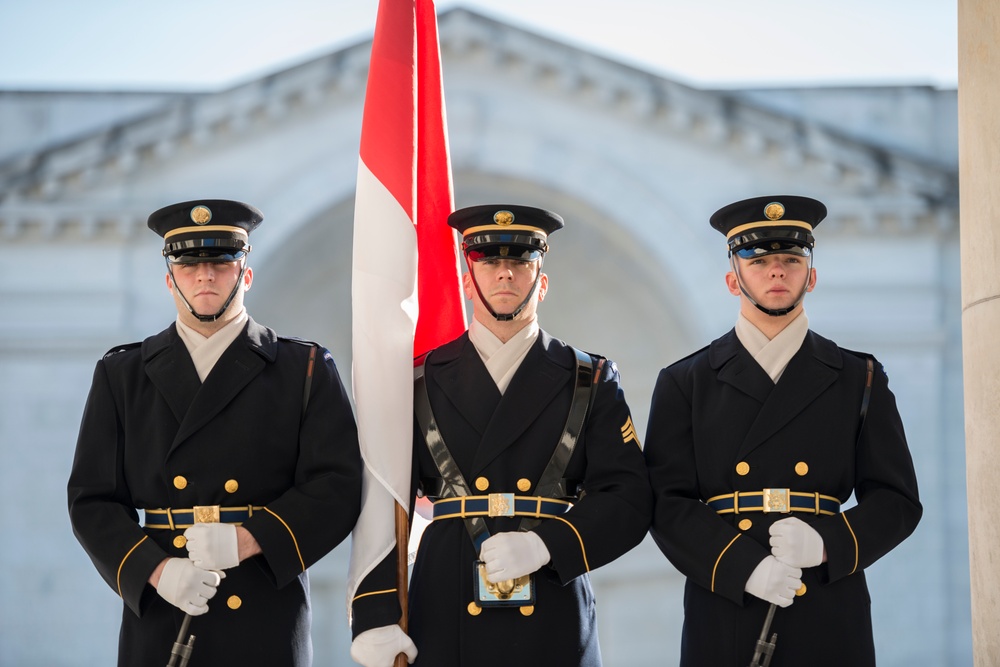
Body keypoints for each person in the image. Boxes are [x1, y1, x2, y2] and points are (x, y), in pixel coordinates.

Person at [348, 204, 652, 667]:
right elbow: (383, 499)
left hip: (552, 595)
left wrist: (548, 546)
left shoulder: (589, 378)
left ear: (542, 283)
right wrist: (374, 614)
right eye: (490, 262)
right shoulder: (417, 380)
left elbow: (629, 496)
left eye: (521, 262)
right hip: (446, 597)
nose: (505, 274)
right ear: (468, 281)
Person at [67, 199, 363, 666]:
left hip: (265, 609)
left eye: (220, 264)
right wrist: (157, 571)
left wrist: (248, 539)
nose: (204, 276)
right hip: (165, 607)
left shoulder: (304, 369)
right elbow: (91, 499)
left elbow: (338, 486)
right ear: (170, 281)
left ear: (245, 275)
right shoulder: (122, 374)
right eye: (189, 266)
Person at [644, 195, 922, 665]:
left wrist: (828, 543)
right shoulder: (685, 381)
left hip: (828, 599)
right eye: (760, 260)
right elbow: (664, 504)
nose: (777, 272)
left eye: (791, 260)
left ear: (811, 275)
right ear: (733, 279)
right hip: (728, 600)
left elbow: (897, 501)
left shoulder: (859, 377)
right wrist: (743, 567)